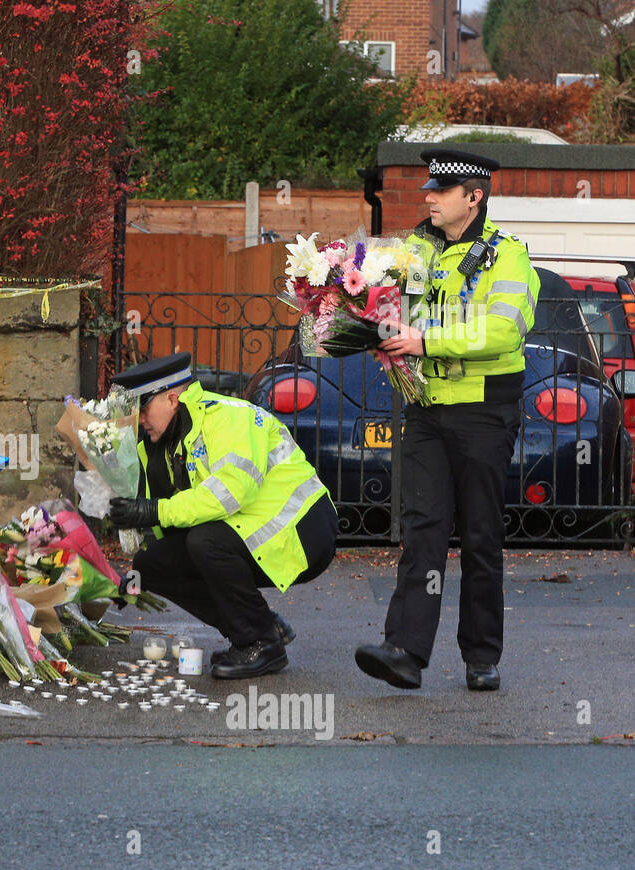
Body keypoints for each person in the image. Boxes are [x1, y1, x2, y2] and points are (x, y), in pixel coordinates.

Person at [355, 149, 538, 692]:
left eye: (440, 190)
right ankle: (405, 650)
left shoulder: (507, 257)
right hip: (428, 410)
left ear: (473, 197)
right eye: (428, 188)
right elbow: (376, 300)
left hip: (484, 412)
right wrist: (373, 331)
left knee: (481, 535)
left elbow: (504, 332)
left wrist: (424, 339)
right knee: (422, 530)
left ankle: (481, 657)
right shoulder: (414, 249)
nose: (427, 197)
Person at [107, 352, 338, 679]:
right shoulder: (160, 443)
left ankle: (260, 643)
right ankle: (262, 625)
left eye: (143, 409)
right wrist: (129, 575)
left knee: (206, 542)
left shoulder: (229, 417)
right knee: (152, 563)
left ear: (172, 398)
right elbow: (171, 529)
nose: (139, 420)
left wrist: (152, 511)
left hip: (302, 529)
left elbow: (230, 492)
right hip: (254, 529)